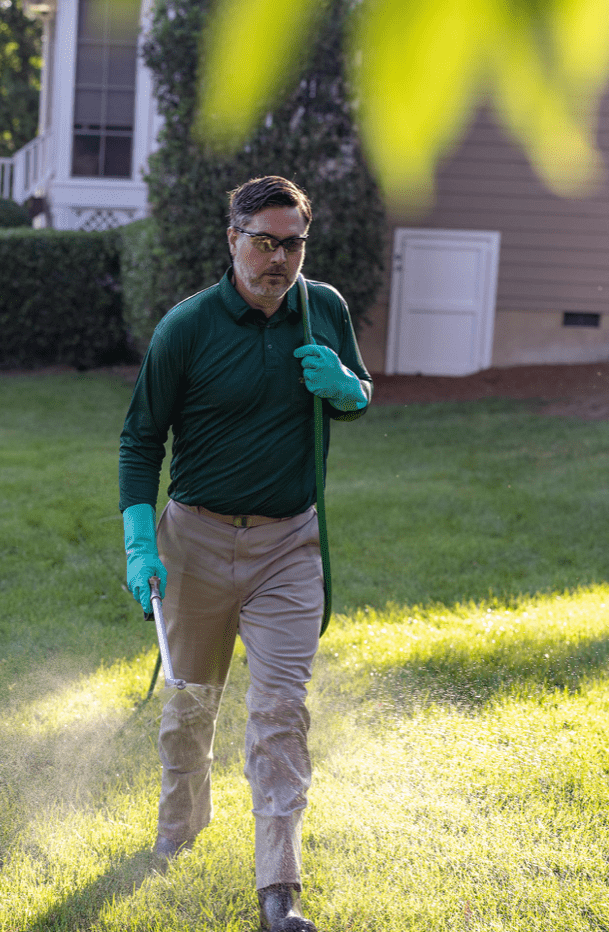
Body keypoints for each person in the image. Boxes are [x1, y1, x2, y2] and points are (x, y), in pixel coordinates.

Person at [118, 175, 371, 932]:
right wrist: (140, 543)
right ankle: (179, 831)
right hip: (193, 541)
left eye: (293, 242)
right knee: (190, 706)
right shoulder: (187, 328)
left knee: (281, 711)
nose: (280, 258)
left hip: (290, 543)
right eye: (264, 241)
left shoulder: (323, 308)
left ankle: (279, 892)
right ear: (232, 239)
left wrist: (348, 388)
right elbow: (140, 439)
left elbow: (360, 394)